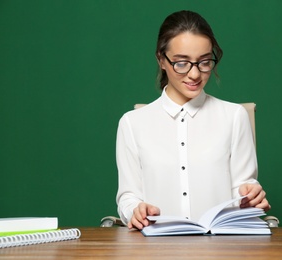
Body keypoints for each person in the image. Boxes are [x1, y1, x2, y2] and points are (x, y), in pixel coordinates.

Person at [116, 10, 270, 230]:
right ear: (161, 59)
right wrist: (135, 210)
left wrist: (250, 196)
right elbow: (128, 197)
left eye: (205, 62)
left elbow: (243, 188)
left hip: (222, 247)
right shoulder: (132, 123)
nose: (195, 75)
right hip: (155, 249)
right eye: (181, 63)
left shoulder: (235, 117)